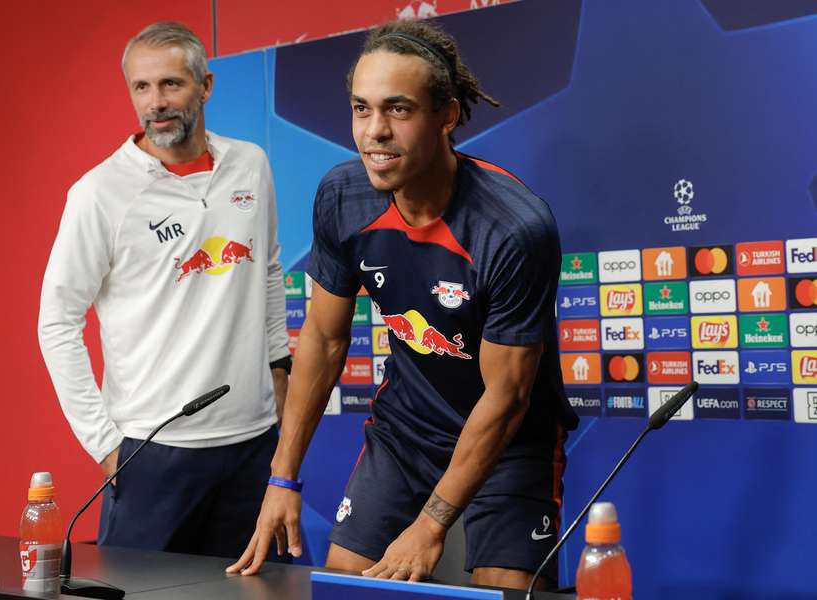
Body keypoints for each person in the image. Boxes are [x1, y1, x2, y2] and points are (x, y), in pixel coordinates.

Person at [227, 19, 578, 590]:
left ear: (447, 115)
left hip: (512, 439)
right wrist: (283, 479)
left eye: (398, 109)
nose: (374, 132)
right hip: (408, 431)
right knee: (349, 581)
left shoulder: (513, 228)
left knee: (504, 593)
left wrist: (433, 521)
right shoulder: (343, 197)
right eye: (361, 109)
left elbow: (508, 396)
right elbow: (323, 338)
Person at [38, 21, 291, 557]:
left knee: (268, 594)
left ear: (206, 86)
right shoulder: (99, 193)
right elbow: (57, 322)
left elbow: (267, 272)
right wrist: (106, 445)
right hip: (153, 449)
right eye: (141, 87)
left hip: (254, 443)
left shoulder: (250, 165)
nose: (156, 102)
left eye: (172, 84)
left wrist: (280, 384)